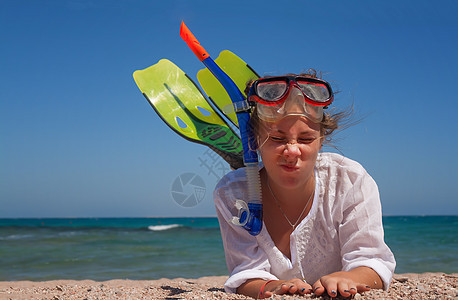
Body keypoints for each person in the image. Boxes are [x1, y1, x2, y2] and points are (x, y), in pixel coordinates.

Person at [213, 72, 396, 299]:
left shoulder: (349, 181)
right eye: (277, 139)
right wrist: (270, 287)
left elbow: (372, 261)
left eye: (306, 139)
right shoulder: (233, 194)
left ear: (321, 140)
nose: (292, 151)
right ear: (254, 140)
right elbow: (245, 273)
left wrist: (352, 278)